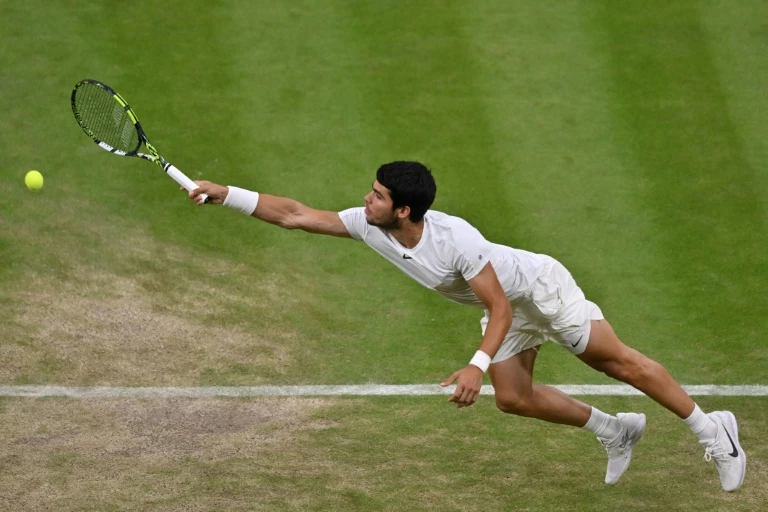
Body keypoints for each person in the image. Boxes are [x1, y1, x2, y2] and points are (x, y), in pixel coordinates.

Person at [185, 161, 746, 491]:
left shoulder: (457, 240)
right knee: (514, 398)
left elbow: (500, 308)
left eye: (377, 195)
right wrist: (226, 192)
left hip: (540, 291)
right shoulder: (369, 225)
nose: (366, 199)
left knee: (613, 361)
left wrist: (475, 365)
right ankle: (615, 430)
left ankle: (712, 428)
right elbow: (295, 215)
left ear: (403, 210)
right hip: (511, 304)